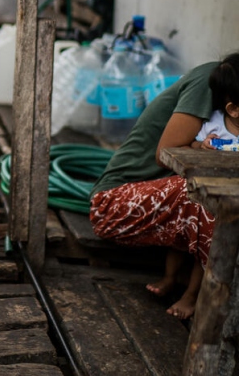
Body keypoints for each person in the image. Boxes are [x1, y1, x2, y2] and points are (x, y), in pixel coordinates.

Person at [90, 52, 239, 319]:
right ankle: (212, 303)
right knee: (203, 194)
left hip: (158, 201)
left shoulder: (227, 87)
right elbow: (165, 154)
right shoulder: (209, 81)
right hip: (114, 204)